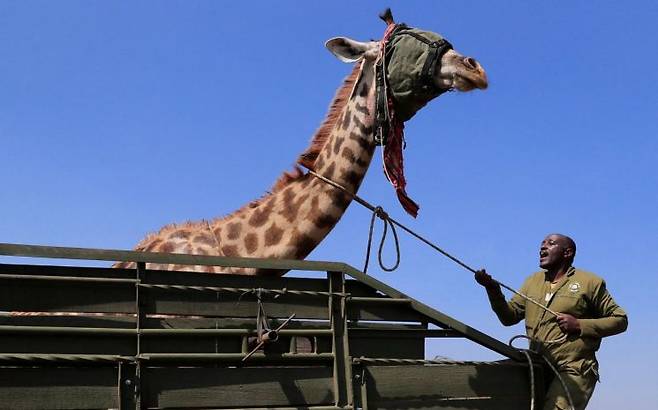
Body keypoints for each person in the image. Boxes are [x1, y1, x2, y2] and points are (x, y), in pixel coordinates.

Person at [475, 233, 627, 410]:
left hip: (574, 368)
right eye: (542, 243)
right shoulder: (532, 281)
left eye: (551, 243)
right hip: (538, 368)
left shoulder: (589, 282)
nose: (543, 247)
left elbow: (620, 320)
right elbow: (509, 317)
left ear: (567, 253)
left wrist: (579, 325)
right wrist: (492, 290)